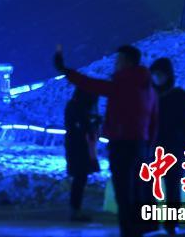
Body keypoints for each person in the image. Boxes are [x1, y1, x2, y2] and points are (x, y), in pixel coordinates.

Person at [55, 45, 157, 237]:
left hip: (121, 145)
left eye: (118, 60)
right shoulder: (148, 88)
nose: (115, 64)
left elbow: (89, 84)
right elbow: (154, 121)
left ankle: (129, 232)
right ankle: (144, 229)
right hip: (141, 146)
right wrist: (148, 148)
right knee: (139, 190)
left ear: (126, 62)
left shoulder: (121, 85)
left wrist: (64, 70)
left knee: (123, 193)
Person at [149, 58, 185, 236]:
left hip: (173, 148)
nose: (157, 78)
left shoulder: (180, 96)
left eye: (160, 74)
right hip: (150, 148)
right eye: (154, 74)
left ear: (168, 75)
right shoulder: (148, 96)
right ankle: (150, 221)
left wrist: (183, 145)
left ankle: (171, 224)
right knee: (148, 186)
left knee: (172, 187)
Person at [64, 87, 100, 222]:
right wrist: (94, 123)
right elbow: (84, 126)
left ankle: (75, 209)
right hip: (79, 147)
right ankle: (75, 210)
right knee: (80, 178)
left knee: (79, 178)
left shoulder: (73, 106)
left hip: (75, 146)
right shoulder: (78, 109)